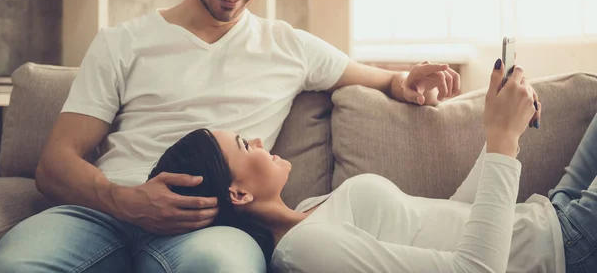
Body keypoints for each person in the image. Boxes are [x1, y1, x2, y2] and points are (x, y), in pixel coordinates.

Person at [0, 0, 463, 273]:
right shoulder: (123, 42)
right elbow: (54, 165)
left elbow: (380, 79)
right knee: (16, 263)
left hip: (213, 230)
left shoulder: (290, 46)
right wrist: (125, 199)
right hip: (101, 211)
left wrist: (407, 81)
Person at [146, 60, 597, 273]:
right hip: (566, 250)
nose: (260, 141)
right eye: (245, 145)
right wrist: (504, 142)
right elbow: (476, 269)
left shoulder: (312, 207)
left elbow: (454, 220)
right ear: (238, 193)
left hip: (550, 214)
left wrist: (496, 131)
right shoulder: (306, 253)